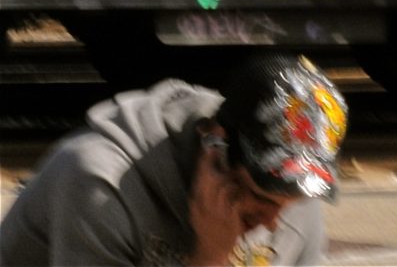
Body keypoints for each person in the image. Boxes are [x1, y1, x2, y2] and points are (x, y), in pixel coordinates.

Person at [0, 52, 348, 266]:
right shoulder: (98, 182)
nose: (272, 221)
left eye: (287, 202)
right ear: (215, 145)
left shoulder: (293, 198)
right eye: (260, 197)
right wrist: (209, 259)